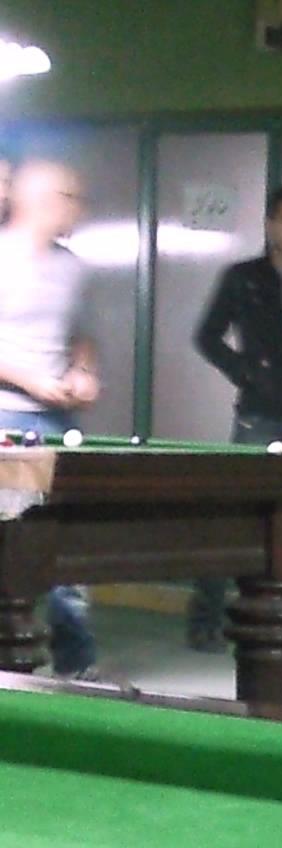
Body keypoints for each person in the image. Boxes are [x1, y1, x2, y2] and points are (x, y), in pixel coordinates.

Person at [188, 183, 282, 651]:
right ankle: (205, 620)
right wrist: (246, 372)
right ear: (271, 225)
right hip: (258, 414)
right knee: (237, 521)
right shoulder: (243, 277)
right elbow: (207, 336)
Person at [0, 159, 100, 678]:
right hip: (4, 418)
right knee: (10, 543)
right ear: (36, 199)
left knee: (66, 545)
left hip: (57, 423)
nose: (76, 208)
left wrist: (82, 371)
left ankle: (77, 666)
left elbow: (81, 336)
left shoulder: (71, 267)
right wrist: (30, 380)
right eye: (69, 197)